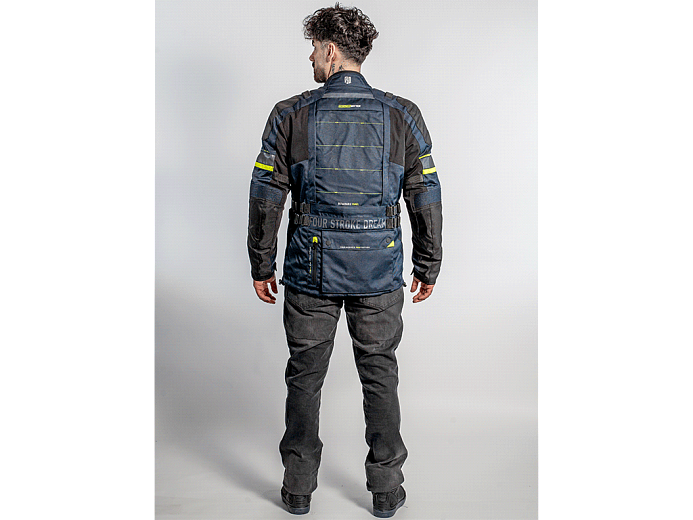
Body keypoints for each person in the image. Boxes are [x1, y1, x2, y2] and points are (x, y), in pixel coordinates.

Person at [246, 4, 442, 517]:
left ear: (330, 50)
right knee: (380, 374)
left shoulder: (291, 113)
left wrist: (261, 264)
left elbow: (266, 194)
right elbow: (425, 193)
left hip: (309, 271)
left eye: (314, 48)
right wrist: (428, 264)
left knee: (304, 376)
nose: (311, 57)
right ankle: (386, 490)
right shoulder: (402, 114)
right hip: (379, 270)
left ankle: (297, 489)